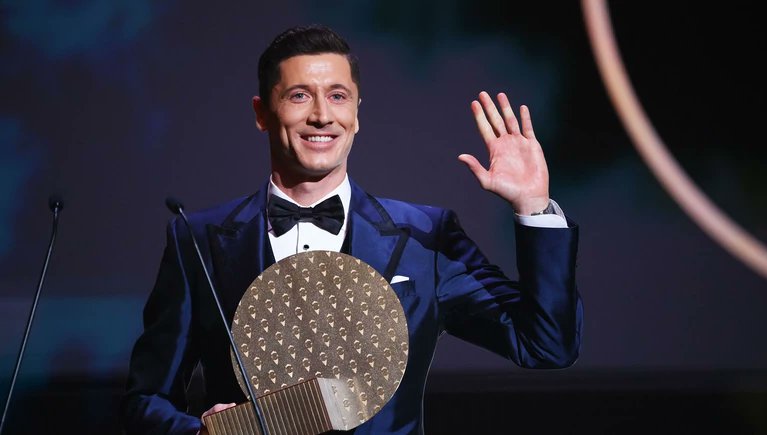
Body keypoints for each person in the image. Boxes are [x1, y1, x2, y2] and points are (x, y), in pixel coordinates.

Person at [121, 25, 583, 435]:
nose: (322, 115)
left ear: (357, 113)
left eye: (338, 96)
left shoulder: (426, 237)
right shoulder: (198, 240)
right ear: (263, 112)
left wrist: (534, 207)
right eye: (299, 95)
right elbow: (145, 402)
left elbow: (545, 345)